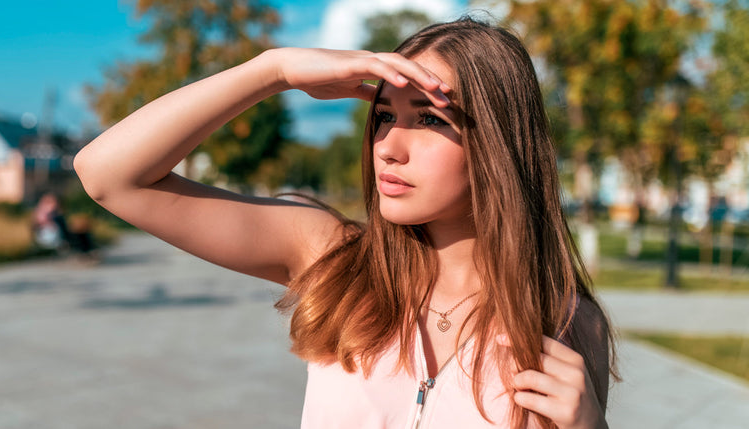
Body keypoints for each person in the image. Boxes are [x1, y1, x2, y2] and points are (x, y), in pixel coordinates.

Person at [75, 16, 616, 429]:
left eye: (428, 119)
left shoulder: (564, 320)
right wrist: (274, 71)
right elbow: (108, 175)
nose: (388, 147)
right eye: (384, 117)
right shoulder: (335, 259)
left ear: (498, 144)